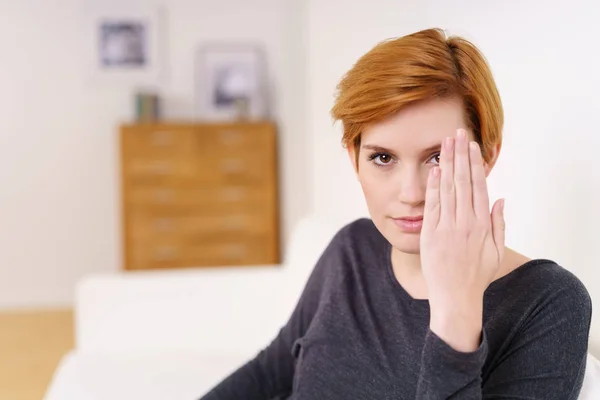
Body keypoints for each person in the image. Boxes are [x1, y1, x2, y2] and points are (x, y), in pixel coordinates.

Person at [199, 28, 592, 399]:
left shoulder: (549, 303)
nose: (411, 193)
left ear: (487, 156)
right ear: (354, 159)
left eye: (437, 157)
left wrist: (457, 308)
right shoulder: (351, 249)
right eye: (383, 157)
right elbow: (271, 371)